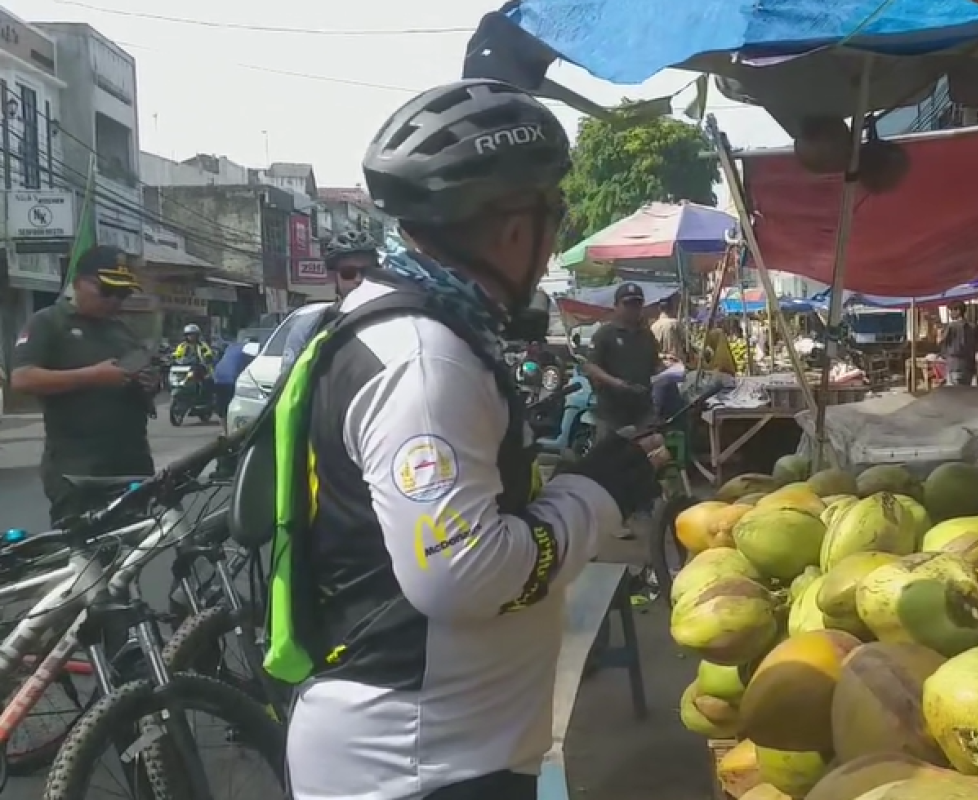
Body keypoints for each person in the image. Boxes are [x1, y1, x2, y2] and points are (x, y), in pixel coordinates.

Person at [279, 79, 667, 800]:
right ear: (518, 227)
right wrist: (596, 494)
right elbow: (464, 574)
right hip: (419, 765)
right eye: (556, 216)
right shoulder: (424, 360)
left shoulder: (418, 326)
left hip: (446, 750)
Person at [10, 245, 157, 524]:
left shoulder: (120, 329)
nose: (115, 301)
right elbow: (22, 378)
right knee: (85, 557)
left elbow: (137, 370)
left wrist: (148, 382)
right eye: (107, 291)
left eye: (122, 294)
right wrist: (93, 376)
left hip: (131, 462)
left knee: (133, 555)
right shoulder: (49, 323)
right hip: (79, 468)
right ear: (79, 284)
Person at [279, 229, 381, 372]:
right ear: (335, 277)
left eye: (366, 272)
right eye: (348, 273)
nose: (358, 279)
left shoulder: (398, 322)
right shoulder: (310, 327)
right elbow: (287, 384)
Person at [585, 283, 660, 439]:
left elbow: (655, 365)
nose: (633, 308)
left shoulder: (647, 335)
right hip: (612, 411)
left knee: (645, 454)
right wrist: (616, 382)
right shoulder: (605, 334)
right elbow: (591, 366)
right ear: (616, 306)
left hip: (642, 408)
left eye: (637, 304)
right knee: (610, 457)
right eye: (627, 304)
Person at [212, 337, 257, 427]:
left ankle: (225, 432)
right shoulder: (250, 351)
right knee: (238, 406)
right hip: (232, 379)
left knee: (222, 407)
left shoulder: (231, 347)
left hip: (218, 377)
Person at [938, 301, 978, 386]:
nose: (950, 314)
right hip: (969, 366)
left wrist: (939, 334)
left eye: (952, 311)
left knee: (955, 395)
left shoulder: (952, 326)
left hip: (955, 365)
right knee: (965, 393)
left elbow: (941, 341)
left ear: (958, 311)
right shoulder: (973, 327)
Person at [651, 293, 685, 364]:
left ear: (659, 308)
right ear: (671, 308)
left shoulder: (653, 326)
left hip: (660, 365)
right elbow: (685, 343)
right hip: (676, 363)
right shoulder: (675, 323)